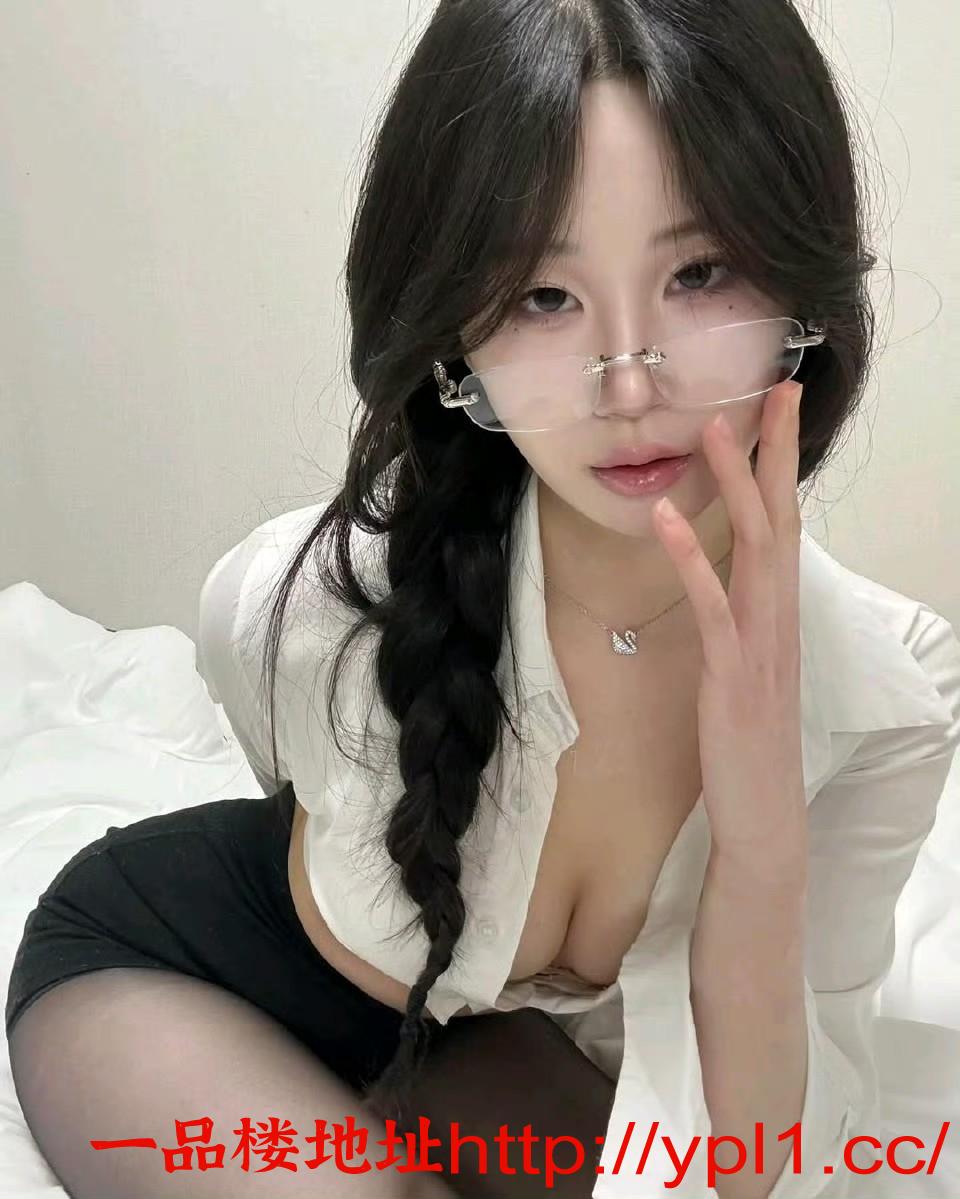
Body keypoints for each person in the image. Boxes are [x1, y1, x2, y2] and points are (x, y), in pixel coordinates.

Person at [6, 2, 960, 1197]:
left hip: (469, 1047)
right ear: (456, 328)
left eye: (699, 271)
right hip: (176, 962)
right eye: (544, 296)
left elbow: (754, 1161)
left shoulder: (885, 697)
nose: (628, 384)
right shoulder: (319, 596)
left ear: (804, 283)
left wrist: (761, 835)